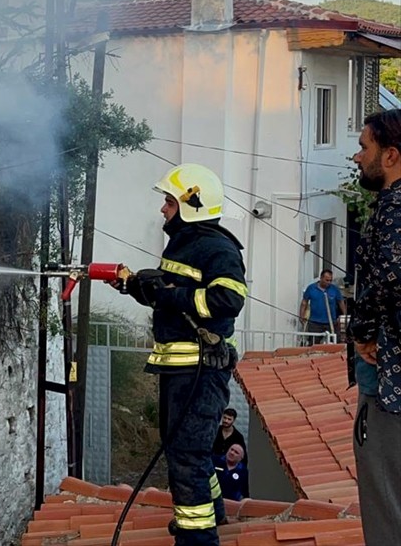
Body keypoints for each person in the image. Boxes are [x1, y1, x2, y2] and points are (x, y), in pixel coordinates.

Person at [115, 163, 247, 546]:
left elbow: (228, 299)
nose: (163, 209)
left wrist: (170, 295)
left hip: (201, 368)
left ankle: (197, 538)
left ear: (192, 204)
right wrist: (138, 286)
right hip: (180, 368)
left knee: (187, 453)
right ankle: (213, 512)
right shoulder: (184, 244)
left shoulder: (218, 248)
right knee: (188, 449)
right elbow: (172, 296)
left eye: (170, 202)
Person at [347, 109, 401, 546]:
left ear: (391, 156)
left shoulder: (394, 209)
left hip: (389, 377)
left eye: (365, 147)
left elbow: (389, 277)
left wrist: (361, 330)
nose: (357, 156)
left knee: (385, 499)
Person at [299, 269, 345, 342]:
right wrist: (301, 316)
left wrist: (345, 316)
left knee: (336, 343)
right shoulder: (311, 288)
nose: (329, 282)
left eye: (330, 280)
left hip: (331, 323)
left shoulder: (334, 289)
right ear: (321, 278)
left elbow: (341, 302)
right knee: (313, 343)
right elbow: (304, 302)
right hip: (315, 323)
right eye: (327, 280)